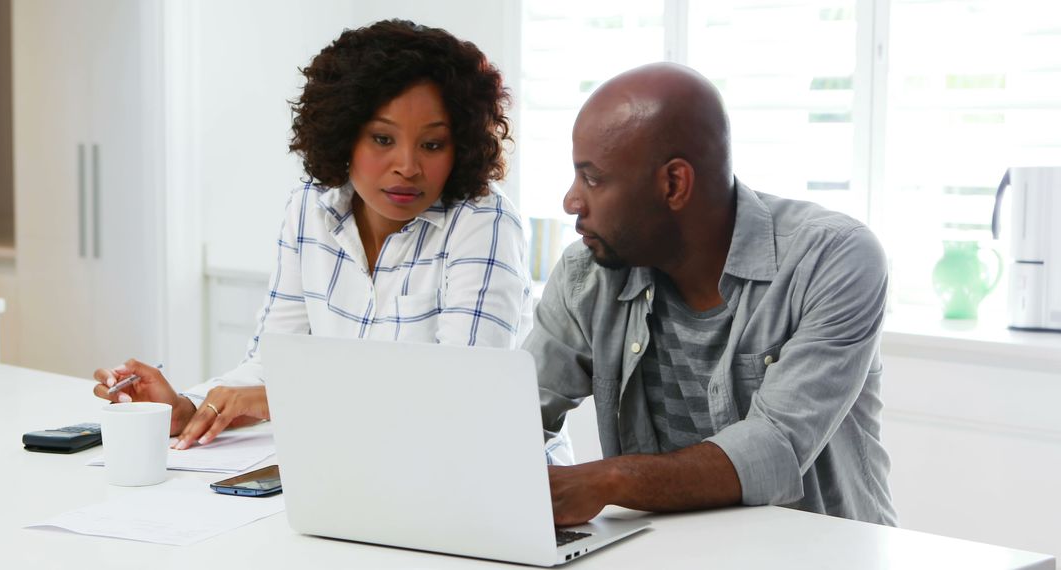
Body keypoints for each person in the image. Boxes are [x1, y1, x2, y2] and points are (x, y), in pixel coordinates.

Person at [91, 20, 532, 451]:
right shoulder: (310, 208)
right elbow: (273, 363)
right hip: (354, 466)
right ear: (343, 135)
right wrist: (189, 408)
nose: (408, 166)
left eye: (432, 145)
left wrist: (284, 401)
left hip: (476, 479)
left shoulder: (483, 223)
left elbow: (457, 397)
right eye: (382, 139)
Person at [525, 62, 897, 526]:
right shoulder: (589, 274)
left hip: (821, 555)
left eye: (593, 178)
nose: (571, 202)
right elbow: (517, 410)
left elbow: (773, 447)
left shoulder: (832, 258)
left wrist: (608, 481)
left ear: (674, 184)